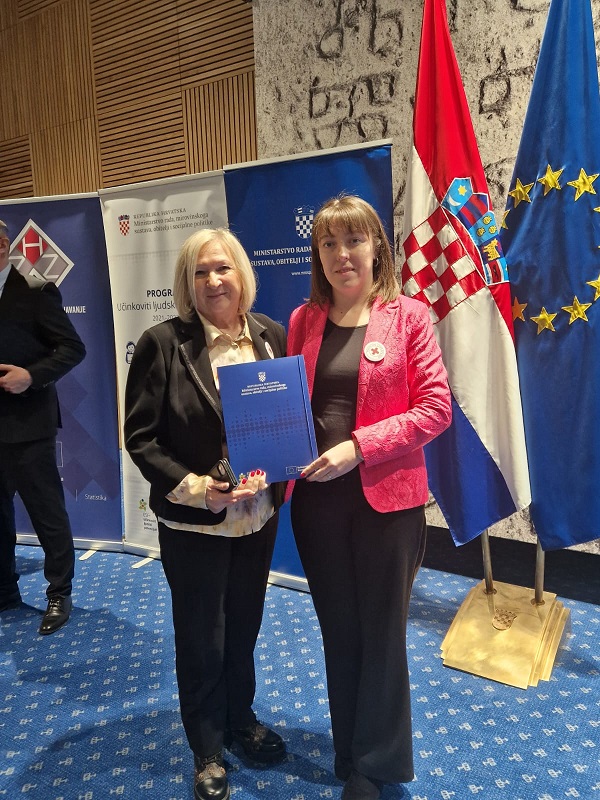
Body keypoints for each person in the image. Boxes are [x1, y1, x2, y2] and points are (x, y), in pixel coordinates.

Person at [287, 196, 452, 799]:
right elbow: (289, 406)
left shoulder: (408, 317)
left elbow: (435, 409)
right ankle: (348, 747)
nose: (342, 254)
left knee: (381, 633)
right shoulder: (304, 319)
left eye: (354, 240)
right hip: (317, 504)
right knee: (339, 629)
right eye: (328, 243)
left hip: (388, 501)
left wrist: (358, 448)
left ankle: (375, 763)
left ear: (376, 247)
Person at [124, 228, 287, 800]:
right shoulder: (162, 343)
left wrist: (279, 465)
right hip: (195, 523)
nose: (214, 280)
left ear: (242, 273)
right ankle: (208, 746)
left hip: (257, 518)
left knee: (243, 625)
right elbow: (141, 439)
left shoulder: (270, 335)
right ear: (187, 283)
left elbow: (282, 421)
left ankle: (241, 718)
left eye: (223, 268)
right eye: (200, 271)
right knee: (201, 637)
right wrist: (196, 488)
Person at [0, 219, 86, 635]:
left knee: (46, 514)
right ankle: (4, 590)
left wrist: (31, 376)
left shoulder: (36, 291)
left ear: (2, 246)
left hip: (28, 427)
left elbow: (73, 348)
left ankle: (59, 593)